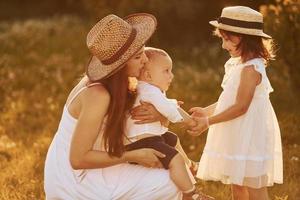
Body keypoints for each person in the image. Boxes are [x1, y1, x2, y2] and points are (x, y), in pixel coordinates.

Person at [44, 13, 183, 200]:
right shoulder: (97, 95)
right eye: (138, 57)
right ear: (120, 65)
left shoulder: (121, 85)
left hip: (99, 162)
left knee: (173, 173)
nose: (145, 61)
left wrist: (160, 116)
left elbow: (133, 122)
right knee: (170, 182)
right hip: (75, 179)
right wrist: (134, 156)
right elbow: (77, 159)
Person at [186, 6, 283, 200]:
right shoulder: (238, 65)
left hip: (251, 136)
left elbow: (241, 106)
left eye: (227, 39)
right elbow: (228, 99)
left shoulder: (251, 69)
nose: (223, 45)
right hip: (238, 133)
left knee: (254, 187)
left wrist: (209, 122)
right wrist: (205, 111)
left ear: (244, 38)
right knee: (237, 183)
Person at [124, 47, 214, 200]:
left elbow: (168, 106)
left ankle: (190, 167)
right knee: (175, 159)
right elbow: (169, 109)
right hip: (143, 143)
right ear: (148, 75)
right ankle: (191, 194)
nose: (171, 75)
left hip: (150, 139)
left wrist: (172, 106)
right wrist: (189, 121)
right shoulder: (149, 90)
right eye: (166, 71)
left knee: (172, 139)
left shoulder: (148, 89)